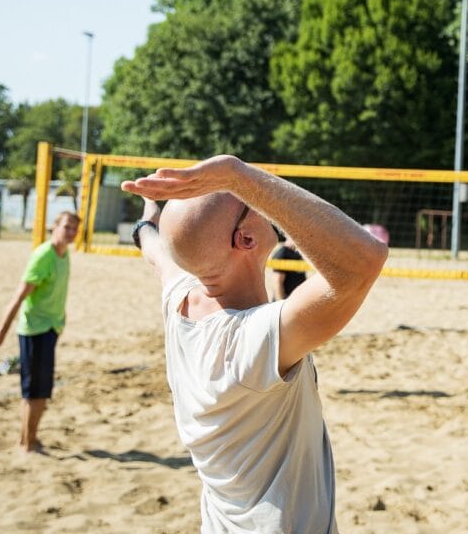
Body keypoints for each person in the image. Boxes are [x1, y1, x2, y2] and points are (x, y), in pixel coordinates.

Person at [122, 154, 387, 532]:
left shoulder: (181, 300)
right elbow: (365, 261)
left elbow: (155, 250)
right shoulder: (252, 340)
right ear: (245, 239)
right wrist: (237, 175)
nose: (264, 204)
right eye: (253, 202)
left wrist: (147, 221)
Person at [0, 211, 81, 454]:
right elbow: (19, 297)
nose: (70, 233)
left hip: (51, 328)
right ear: (54, 227)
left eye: (74, 229)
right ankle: (28, 444)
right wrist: (1, 331)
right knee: (34, 391)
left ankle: (28, 439)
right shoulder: (43, 256)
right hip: (34, 331)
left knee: (41, 390)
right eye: (66, 227)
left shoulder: (64, 254)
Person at [269, 235, 307, 301]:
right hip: (286, 301)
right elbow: (277, 282)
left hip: (296, 299)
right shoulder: (282, 254)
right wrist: (280, 303)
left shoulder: (298, 253)